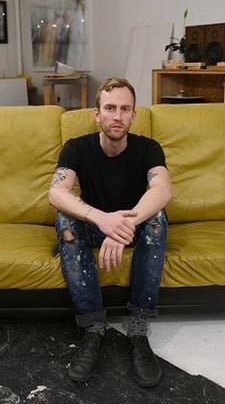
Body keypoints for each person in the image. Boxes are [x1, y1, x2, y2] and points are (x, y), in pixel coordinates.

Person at [48, 77, 173, 387]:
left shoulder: (148, 148)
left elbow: (162, 189)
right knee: (65, 220)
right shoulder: (77, 148)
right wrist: (101, 219)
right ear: (97, 114)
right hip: (94, 227)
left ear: (133, 115)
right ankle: (93, 328)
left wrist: (124, 225)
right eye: (110, 108)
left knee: (157, 216)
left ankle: (139, 330)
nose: (117, 116)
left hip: (134, 227)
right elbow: (57, 193)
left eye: (125, 109)